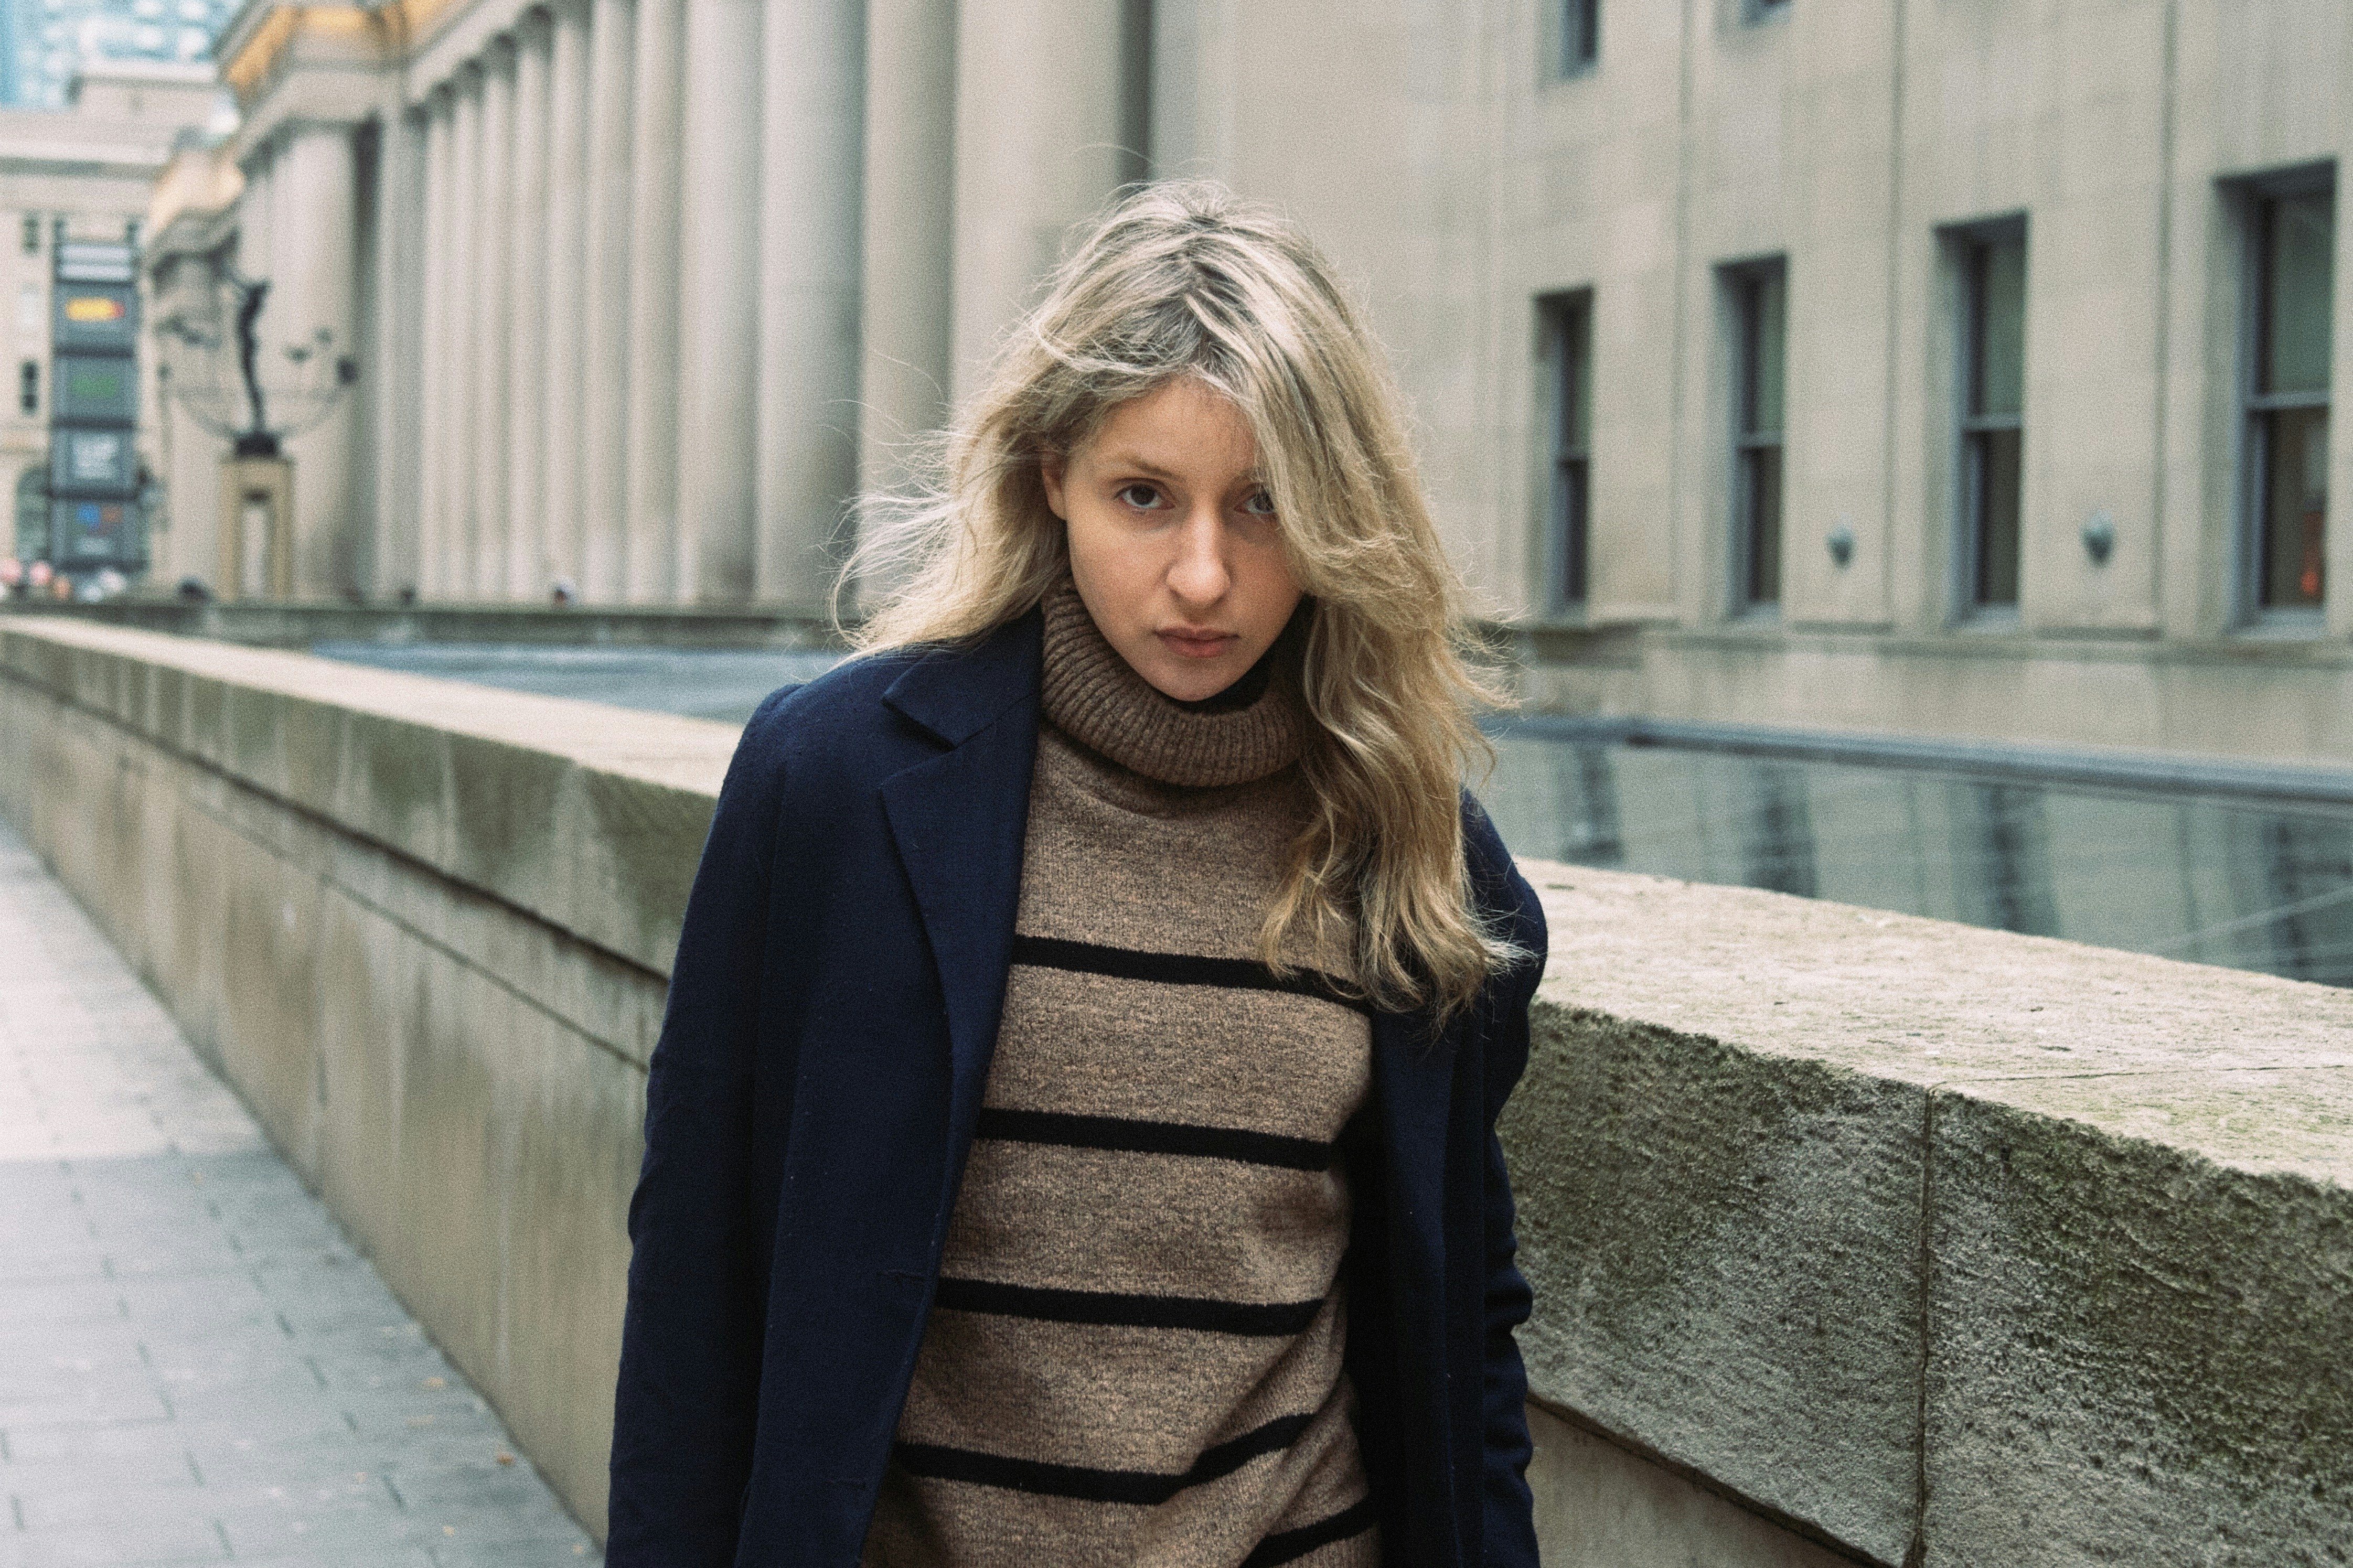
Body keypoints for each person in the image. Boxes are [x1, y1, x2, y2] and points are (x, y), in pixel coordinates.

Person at [607, 182, 1548, 1568]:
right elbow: (701, 1282)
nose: (1205, 575)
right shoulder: (837, 787)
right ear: (1052, 475)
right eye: (1145, 497)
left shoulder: (1414, 848)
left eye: (1267, 507)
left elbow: (1462, 1321)